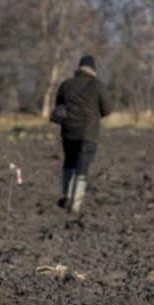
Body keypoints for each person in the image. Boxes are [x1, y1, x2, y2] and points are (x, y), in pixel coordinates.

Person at [53, 55, 111, 213]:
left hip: (68, 132)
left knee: (69, 163)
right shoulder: (98, 86)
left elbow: (58, 107)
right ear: (93, 69)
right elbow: (107, 109)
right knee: (82, 167)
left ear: (79, 68)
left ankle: (66, 197)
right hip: (89, 133)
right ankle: (76, 204)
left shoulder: (66, 85)